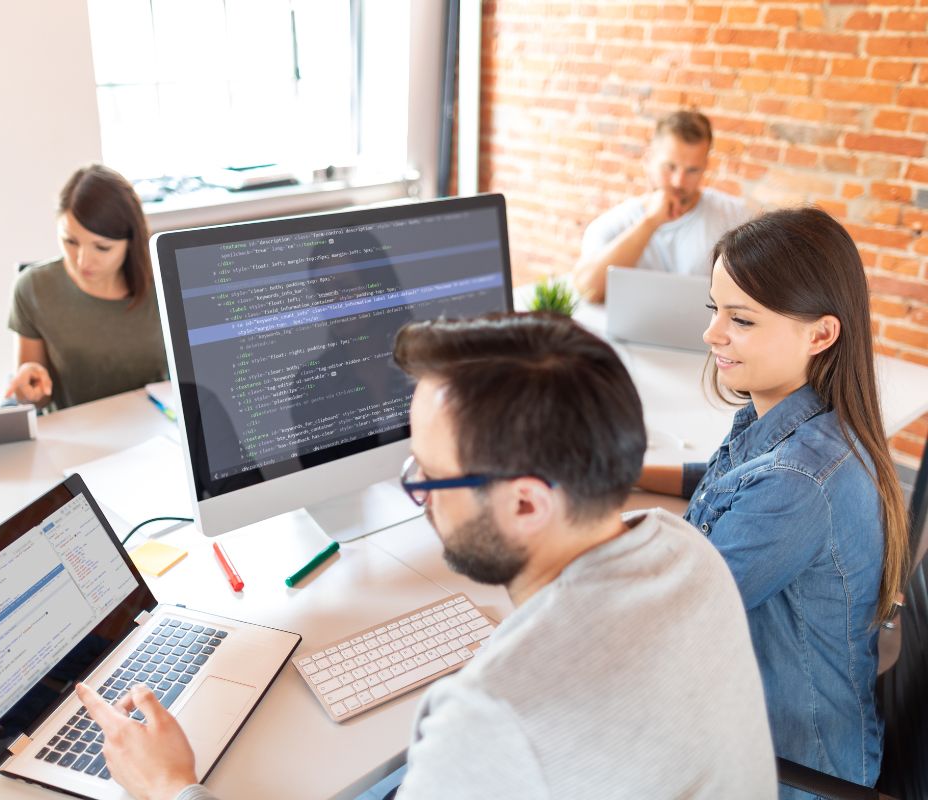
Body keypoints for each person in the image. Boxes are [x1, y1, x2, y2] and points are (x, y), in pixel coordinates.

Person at [74, 312, 777, 800]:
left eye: (428, 478)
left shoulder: (488, 717)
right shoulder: (688, 552)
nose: (420, 499)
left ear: (528, 504)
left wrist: (171, 784)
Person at [638, 207, 908, 796]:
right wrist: (624, 471)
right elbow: (728, 479)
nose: (712, 335)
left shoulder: (801, 482)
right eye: (716, 310)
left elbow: (666, 617)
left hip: (791, 771)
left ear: (820, 334)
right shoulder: (803, 421)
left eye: (741, 320)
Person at [4, 164, 167, 410]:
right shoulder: (33, 288)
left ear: (131, 242)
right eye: (70, 241)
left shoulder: (164, 283)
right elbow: (36, 400)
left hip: (157, 426)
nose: (82, 261)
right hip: (77, 436)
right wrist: (28, 388)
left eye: (102, 248)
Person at [573, 109, 750, 302]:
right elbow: (586, 290)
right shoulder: (612, 223)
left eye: (692, 170)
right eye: (670, 167)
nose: (679, 182)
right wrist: (650, 222)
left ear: (705, 166)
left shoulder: (735, 216)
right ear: (648, 160)